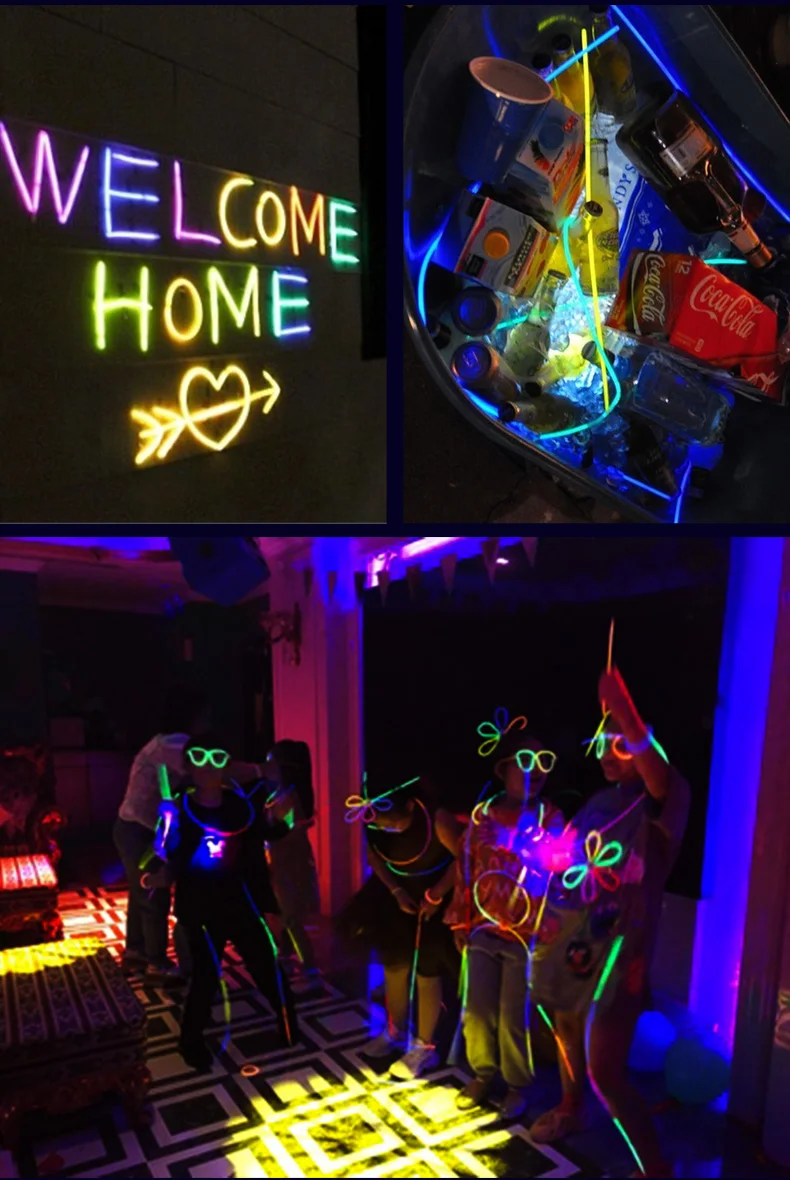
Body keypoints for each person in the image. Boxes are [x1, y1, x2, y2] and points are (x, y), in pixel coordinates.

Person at [528, 666, 690, 1180]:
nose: (606, 753)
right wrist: (546, 853)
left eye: (620, 743)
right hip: (572, 944)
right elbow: (571, 864)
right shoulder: (599, 801)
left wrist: (623, 707)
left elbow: (659, 777)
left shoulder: (665, 795)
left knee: (606, 1071)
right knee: (564, 1027)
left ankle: (654, 1168)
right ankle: (571, 1108)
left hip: (621, 954)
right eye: (601, 743)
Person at [157, 733, 298, 1071]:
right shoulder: (180, 807)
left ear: (227, 764)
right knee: (205, 976)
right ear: (188, 765)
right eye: (200, 758)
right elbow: (168, 852)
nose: (208, 766)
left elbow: (260, 843)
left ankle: (289, 1024)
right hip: (199, 905)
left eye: (217, 758)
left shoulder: (240, 806)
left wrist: (281, 820)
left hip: (239, 900)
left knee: (265, 964)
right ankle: (191, 1040)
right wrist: (167, 832)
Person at [444, 728, 565, 1121]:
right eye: (526, 761)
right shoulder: (482, 816)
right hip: (482, 928)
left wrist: (511, 841)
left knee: (514, 1016)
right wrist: (460, 922)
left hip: (525, 936)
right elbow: (465, 868)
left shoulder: (550, 817)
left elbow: (555, 867)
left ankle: (516, 1085)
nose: (536, 770)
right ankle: (482, 1074)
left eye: (544, 761)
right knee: (477, 1011)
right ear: (504, 769)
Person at [336, 773, 464, 1080]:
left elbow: (467, 859)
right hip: (400, 896)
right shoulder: (373, 820)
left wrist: (437, 894)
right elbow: (374, 857)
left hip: (437, 899)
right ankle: (395, 1032)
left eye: (391, 823)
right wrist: (395, 891)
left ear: (409, 806)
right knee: (394, 965)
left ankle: (425, 1047)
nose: (384, 829)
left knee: (427, 970)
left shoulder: (437, 820)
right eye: (379, 825)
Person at [113, 685, 208, 987]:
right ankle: (157, 965)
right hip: (141, 830)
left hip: (131, 826)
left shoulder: (162, 742)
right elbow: (206, 772)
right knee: (155, 893)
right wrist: (259, 771)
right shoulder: (174, 744)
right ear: (191, 715)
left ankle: (136, 953)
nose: (207, 720)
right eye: (203, 714)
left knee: (141, 891)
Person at [262, 740, 320, 976]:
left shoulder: (288, 799)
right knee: (283, 912)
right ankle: (284, 953)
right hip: (280, 863)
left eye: (270, 763)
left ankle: (311, 969)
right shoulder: (278, 795)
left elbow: (290, 834)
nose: (265, 768)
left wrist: (267, 834)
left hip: (289, 865)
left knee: (291, 917)